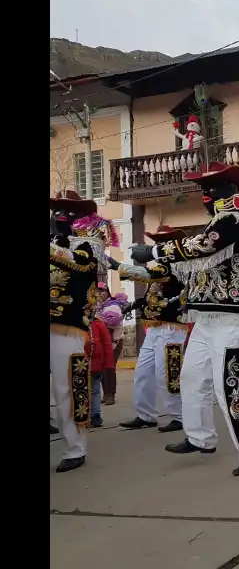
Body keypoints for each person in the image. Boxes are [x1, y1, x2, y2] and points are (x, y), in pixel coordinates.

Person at [130, 162, 239, 477]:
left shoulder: (238, 218)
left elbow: (205, 246)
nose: (206, 196)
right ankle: (200, 437)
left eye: (212, 189)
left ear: (230, 190)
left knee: (230, 385)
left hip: (233, 318)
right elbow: (195, 260)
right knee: (192, 378)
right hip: (206, 317)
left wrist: (155, 252)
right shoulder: (219, 221)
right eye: (204, 190)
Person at [109, 225, 190, 433]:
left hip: (172, 328)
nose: (159, 247)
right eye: (158, 243)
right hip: (154, 328)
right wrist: (137, 304)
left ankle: (179, 416)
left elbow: (146, 274)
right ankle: (146, 415)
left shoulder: (175, 265)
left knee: (168, 373)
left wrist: (117, 265)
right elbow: (152, 292)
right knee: (143, 372)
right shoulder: (161, 267)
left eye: (163, 243)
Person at [49, 191, 102, 472]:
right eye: (56, 210)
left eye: (67, 211)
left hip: (68, 326)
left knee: (67, 388)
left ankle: (75, 447)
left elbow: (82, 264)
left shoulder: (91, 242)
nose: (59, 215)